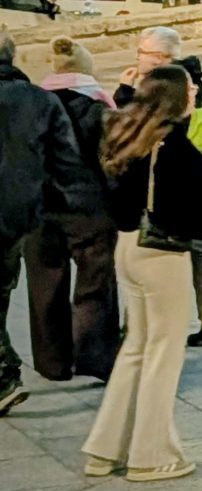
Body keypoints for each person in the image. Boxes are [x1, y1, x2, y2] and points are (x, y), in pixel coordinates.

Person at [83, 63, 202, 483]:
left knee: (136, 350)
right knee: (164, 354)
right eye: (191, 90)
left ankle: (104, 449)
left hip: (127, 247)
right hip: (163, 255)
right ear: (177, 100)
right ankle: (151, 454)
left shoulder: (125, 137)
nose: (196, 94)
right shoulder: (178, 150)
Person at [115, 28, 202, 349]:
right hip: (177, 181)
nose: (138, 56)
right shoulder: (182, 82)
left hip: (175, 183)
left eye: (144, 51)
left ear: (163, 57)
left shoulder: (179, 87)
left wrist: (125, 94)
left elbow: (140, 127)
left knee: (184, 247)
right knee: (197, 249)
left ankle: (139, 331)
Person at [1, 33, 96, 417]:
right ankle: (4, 373)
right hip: (17, 215)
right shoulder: (40, 100)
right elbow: (68, 164)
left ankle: (5, 374)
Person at [25, 37, 119, 385]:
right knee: (94, 286)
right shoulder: (100, 108)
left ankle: (53, 363)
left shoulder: (34, 104)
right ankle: (95, 358)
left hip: (41, 209)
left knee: (44, 286)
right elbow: (112, 162)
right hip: (90, 211)